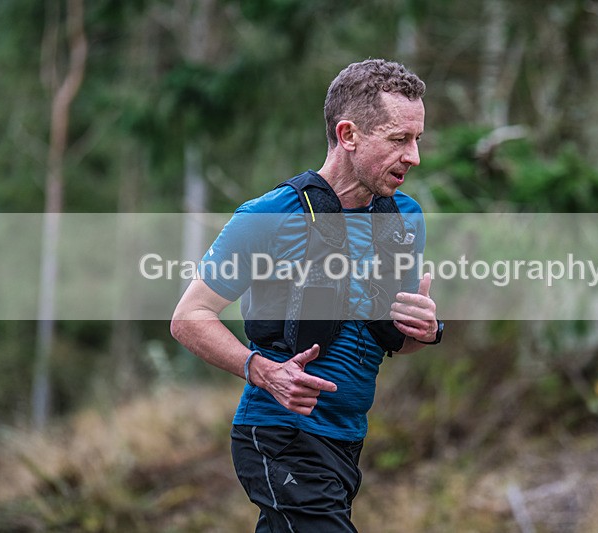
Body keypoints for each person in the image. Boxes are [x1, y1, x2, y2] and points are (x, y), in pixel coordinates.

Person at [170, 58, 443, 532]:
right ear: (348, 134)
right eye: (399, 139)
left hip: (346, 438)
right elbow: (189, 316)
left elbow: (402, 339)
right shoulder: (271, 215)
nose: (414, 156)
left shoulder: (404, 218)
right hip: (280, 434)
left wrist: (425, 329)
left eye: (418, 139)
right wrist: (262, 370)